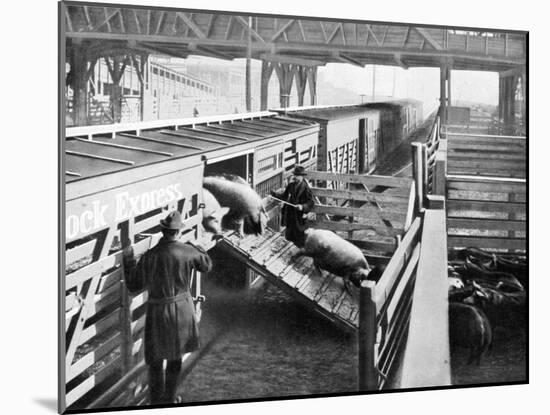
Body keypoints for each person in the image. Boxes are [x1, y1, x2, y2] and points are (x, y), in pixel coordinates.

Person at [123, 211, 212, 405]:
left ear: (163, 231)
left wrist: (129, 261)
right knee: (175, 357)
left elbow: (133, 285)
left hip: (158, 312)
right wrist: (199, 247)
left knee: (155, 359)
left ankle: (156, 402)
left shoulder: (150, 255)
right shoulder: (188, 251)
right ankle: (170, 399)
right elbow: (206, 266)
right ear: (179, 232)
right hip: (182, 310)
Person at [270, 165, 315, 247]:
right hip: (290, 216)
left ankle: (298, 255)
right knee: (289, 237)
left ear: (302, 176)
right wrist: (274, 194)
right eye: (295, 175)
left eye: (298, 176)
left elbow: (311, 202)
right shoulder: (291, 185)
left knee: (299, 238)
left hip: (299, 217)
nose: (295, 177)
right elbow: (284, 196)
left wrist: (302, 206)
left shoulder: (306, 188)